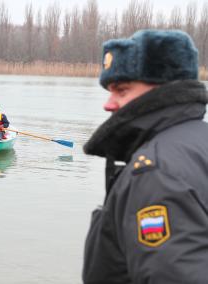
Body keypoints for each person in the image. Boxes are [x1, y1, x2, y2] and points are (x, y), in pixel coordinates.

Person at [82, 29, 208, 283]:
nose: (108, 103)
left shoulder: (155, 172)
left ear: (163, 91)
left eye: (122, 90)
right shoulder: (198, 140)